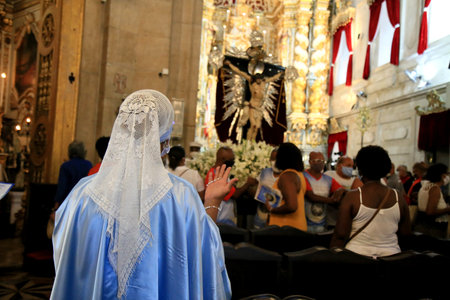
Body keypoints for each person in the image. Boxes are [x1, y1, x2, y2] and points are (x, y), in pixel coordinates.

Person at [50, 90, 236, 299]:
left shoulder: (83, 193)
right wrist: (212, 201)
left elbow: (64, 253)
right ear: (164, 140)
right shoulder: (181, 196)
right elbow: (205, 257)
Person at [330, 145, 411, 258]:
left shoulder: (353, 197)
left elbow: (340, 235)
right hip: (391, 258)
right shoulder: (398, 197)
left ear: (360, 168)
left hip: (357, 258)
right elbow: (406, 234)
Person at [224, 60, 284, 141]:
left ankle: (252, 142)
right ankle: (248, 142)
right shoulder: (251, 82)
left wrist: (281, 73)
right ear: (255, 78)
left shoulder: (264, 82)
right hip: (252, 106)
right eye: (258, 79)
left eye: (260, 79)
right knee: (253, 125)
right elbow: (240, 72)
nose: (259, 80)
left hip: (259, 108)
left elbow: (273, 78)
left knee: (257, 127)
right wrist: (230, 64)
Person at [205, 146, 256, 226]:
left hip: (223, 220)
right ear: (222, 159)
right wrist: (248, 184)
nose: (233, 162)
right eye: (231, 160)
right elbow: (235, 195)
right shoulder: (216, 175)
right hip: (220, 221)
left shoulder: (221, 173)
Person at [264, 142, 307, 231]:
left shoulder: (287, 176)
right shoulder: (298, 174)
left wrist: (272, 209)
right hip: (294, 227)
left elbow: (292, 206)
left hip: (286, 229)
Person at [303, 152, 344, 233]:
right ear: (310, 161)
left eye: (323, 161)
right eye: (318, 160)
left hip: (321, 225)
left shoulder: (328, 179)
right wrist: (332, 200)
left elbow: (340, 190)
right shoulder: (303, 176)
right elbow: (311, 196)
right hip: (304, 225)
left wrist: (340, 192)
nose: (321, 163)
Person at [324, 156, 363, 227]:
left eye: (352, 166)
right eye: (348, 165)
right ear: (339, 166)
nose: (351, 168)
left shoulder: (355, 181)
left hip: (346, 223)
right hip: (331, 221)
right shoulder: (329, 175)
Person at [414, 163, 450, 239]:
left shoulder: (425, 186)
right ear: (442, 175)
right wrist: (448, 209)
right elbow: (430, 211)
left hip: (423, 224)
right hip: (433, 228)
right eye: (447, 174)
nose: (448, 177)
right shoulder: (434, 188)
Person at [53, 140, 92, 207]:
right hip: (83, 200)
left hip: (69, 200)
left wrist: (56, 205)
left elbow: (62, 187)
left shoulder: (65, 166)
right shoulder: (88, 165)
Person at [253, 147, 281, 229]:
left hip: (278, 215)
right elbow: (256, 188)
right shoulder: (265, 172)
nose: (274, 162)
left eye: (277, 159)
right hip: (262, 212)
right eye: (272, 159)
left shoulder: (287, 175)